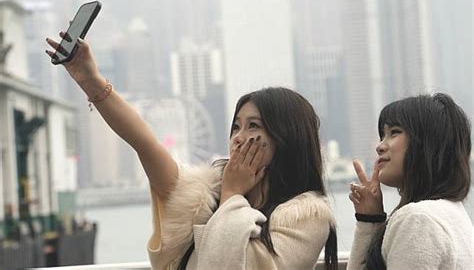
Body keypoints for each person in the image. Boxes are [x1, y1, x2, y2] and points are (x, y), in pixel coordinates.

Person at [46, 33, 338, 269]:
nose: (239, 138)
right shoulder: (201, 195)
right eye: (236, 127)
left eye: (253, 127)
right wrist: (90, 80)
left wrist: (232, 198)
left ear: (286, 138)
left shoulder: (307, 216)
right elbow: (144, 143)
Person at [347, 94, 472, 269]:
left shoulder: (418, 220)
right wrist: (370, 220)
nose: (380, 146)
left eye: (394, 132)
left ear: (426, 143)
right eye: (382, 135)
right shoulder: (451, 211)